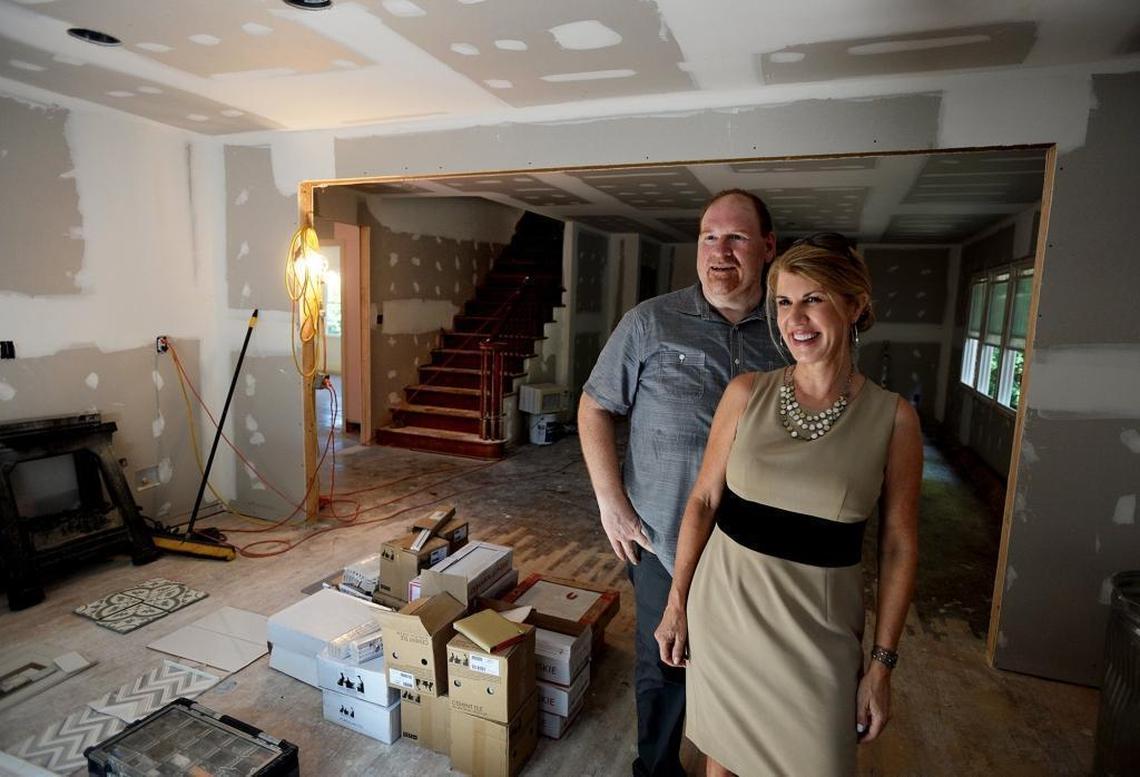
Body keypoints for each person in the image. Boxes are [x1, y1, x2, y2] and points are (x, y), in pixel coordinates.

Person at [654, 234, 922, 776]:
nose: (795, 318)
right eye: (783, 301)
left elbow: (898, 547)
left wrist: (882, 667)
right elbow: (704, 500)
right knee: (722, 763)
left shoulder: (893, 419)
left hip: (818, 638)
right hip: (725, 613)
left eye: (814, 299)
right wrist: (677, 600)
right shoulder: (745, 392)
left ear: (855, 305)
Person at [578, 190, 784, 777]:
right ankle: (659, 768)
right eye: (709, 237)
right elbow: (595, 408)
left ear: (767, 247)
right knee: (664, 664)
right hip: (661, 536)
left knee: (744, 663)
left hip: (754, 544)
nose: (721, 252)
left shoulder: (786, 331)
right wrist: (611, 504)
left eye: (737, 238)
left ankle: (731, 760)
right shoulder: (649, 322)